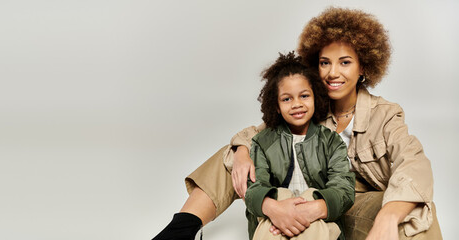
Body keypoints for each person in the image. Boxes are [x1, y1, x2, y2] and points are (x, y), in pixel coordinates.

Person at [153, 7, 441, 240]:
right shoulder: (309, 106)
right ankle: (180, 230)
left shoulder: (385, 114)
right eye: (324, 62)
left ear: (363, 66)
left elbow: (413, 165)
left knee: (417, 213)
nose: (332, 73)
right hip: (296, 195)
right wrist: (243, 151)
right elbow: (258, 133)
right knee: (235, 155)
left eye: (344, 62)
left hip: (349, 204)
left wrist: (389, 216)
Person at [243, 52, 353, 240]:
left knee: (311, 195)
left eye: (304, 96)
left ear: (315, 98)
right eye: (287, 99)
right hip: (274, 222)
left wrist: (310, 209)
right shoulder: (262, 142)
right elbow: (253, 189)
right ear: (276, 105)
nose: (296, 104)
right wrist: (276, 209)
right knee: (281, 194)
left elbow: (343, 189)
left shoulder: (331, 142)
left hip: (319, 221)